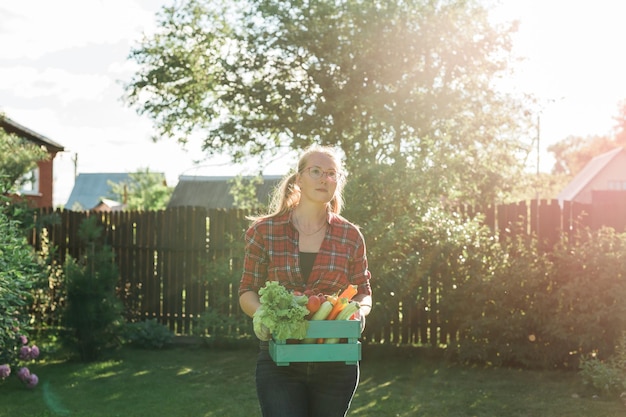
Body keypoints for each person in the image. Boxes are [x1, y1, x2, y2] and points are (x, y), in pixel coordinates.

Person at [238, 144, 373, 417]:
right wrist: (264, 314)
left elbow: (363, 292)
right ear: (299, 179)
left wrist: (359, 312)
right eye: (316, 171)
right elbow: (247, 290)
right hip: (281, 362)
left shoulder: (350, 236)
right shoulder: (264, 231)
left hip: (335, 363)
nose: (325, 178)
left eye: (332, 173)